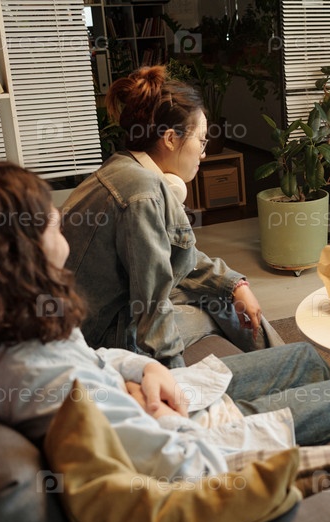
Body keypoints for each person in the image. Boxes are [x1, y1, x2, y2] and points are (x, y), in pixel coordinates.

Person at [0, 162, 330, 481]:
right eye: (47, 217)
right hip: (202, 435)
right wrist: (158, 409)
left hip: (174, 400)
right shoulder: (41, 377)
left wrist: (141, 368)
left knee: (304, 358)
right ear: (18, 249)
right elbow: (182, 465)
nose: (61, 217)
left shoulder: (24, 328)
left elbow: (95, 360)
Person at [61, 65, 277, 369]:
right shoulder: (143, 195)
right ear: (171, 139)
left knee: (222, 293)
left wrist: (235, 285)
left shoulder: (122, 168)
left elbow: (175, 256)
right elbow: (151, 305)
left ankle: (279, 361)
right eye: (201, 141)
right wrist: (175, 380)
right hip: (102, 339)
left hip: (103, 317)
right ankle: (285, 364)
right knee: (216, 304)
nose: (203, 154)